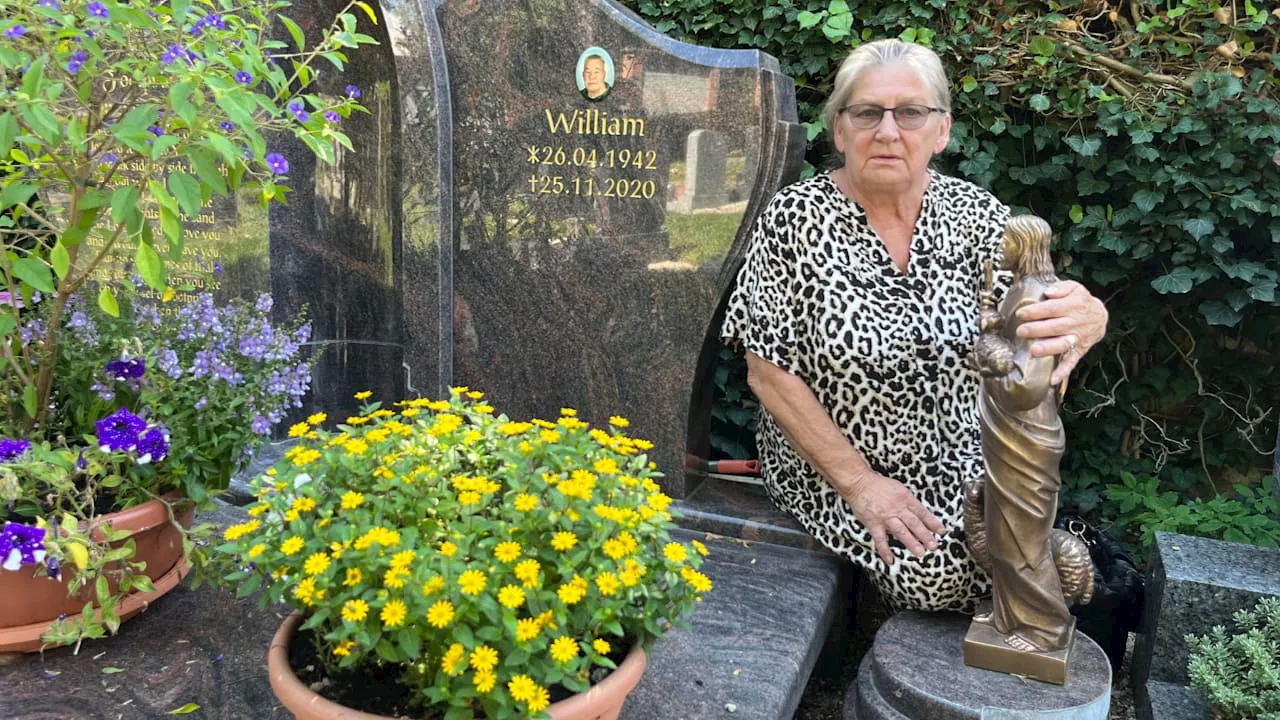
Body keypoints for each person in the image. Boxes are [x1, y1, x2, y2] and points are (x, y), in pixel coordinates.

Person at [721, 39, 1108, 612]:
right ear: (839, 130)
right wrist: (860, 486)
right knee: (935, 575)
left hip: (966, 453)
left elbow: (1037, 311)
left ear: (941, 130)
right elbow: (766, 372)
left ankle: (1035, 576)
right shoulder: (794, 219)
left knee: (1017, 547)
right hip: (838, 462)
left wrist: (1087, 317)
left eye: (910, 113)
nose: (888, 131)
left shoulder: (978, 215)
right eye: (867, 112)